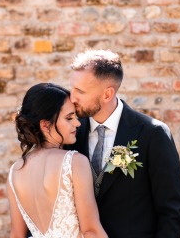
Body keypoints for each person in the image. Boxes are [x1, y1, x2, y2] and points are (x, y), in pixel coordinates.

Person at [66, 49, 180, 238]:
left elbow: (171, 211)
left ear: (107, 94)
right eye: (72, 88)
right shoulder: (70, 135)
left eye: (80, 91)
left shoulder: (152, 134)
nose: (72, 98)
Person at [7, 83, 108, 238]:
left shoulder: (15, 171)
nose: (78, 123)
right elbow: (91, 230)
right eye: (69, 118)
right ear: (46, 125)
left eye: (76, 116)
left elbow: (16, 235)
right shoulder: (74, 162)